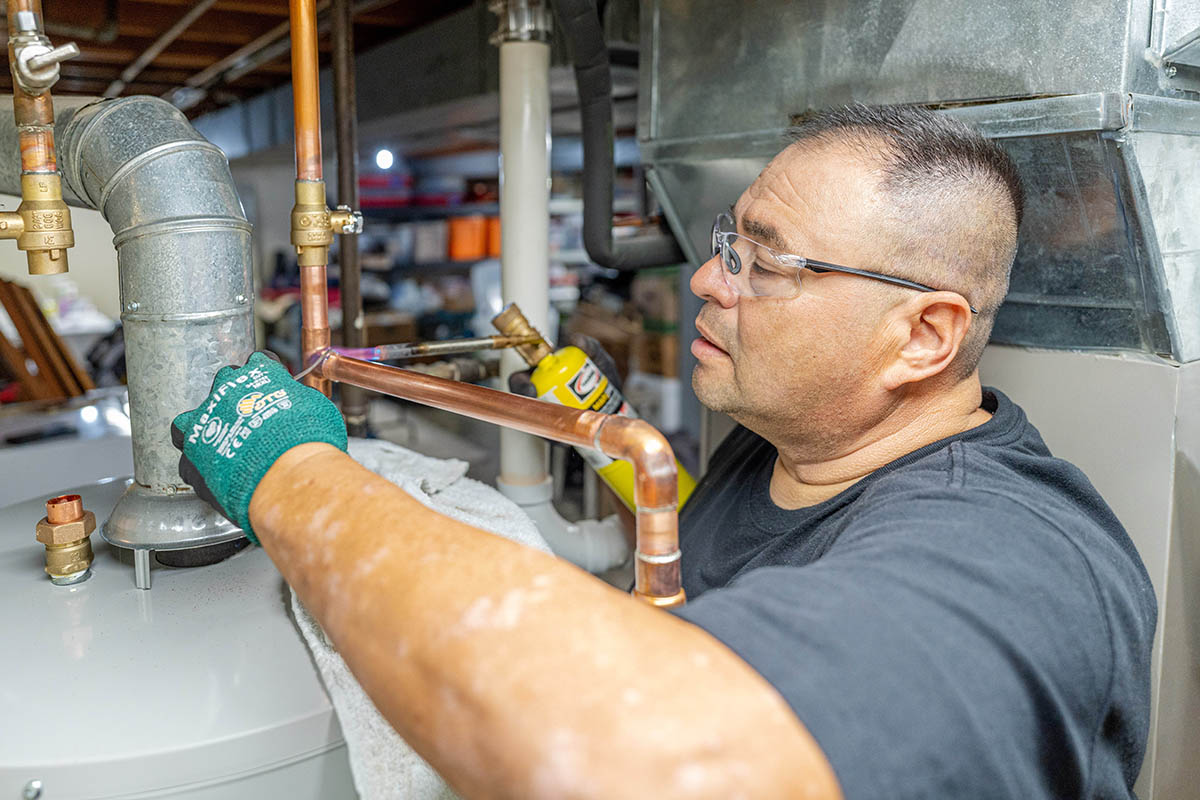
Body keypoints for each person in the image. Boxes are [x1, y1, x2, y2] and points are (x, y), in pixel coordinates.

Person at [171, 104, 1155, 799]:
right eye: (730, 242)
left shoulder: (1010, 564)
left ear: (923, 337)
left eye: (766, 263)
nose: (711, 284)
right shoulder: (784, 447)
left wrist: (292, 475)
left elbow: (654, 757)